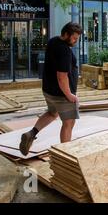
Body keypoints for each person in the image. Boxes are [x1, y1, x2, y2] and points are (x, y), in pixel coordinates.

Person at [19, 22, 82, 156]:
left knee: (52, 113)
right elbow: (62, 76)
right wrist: (69, 95)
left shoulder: (53, 41)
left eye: (77, 38)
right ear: (66, 34)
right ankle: (65, 155)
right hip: (62, 94)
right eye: (74, 38)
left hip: (49, 90)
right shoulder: (64, 50)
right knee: (69, 123)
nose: (76, 41)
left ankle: (31, 134)